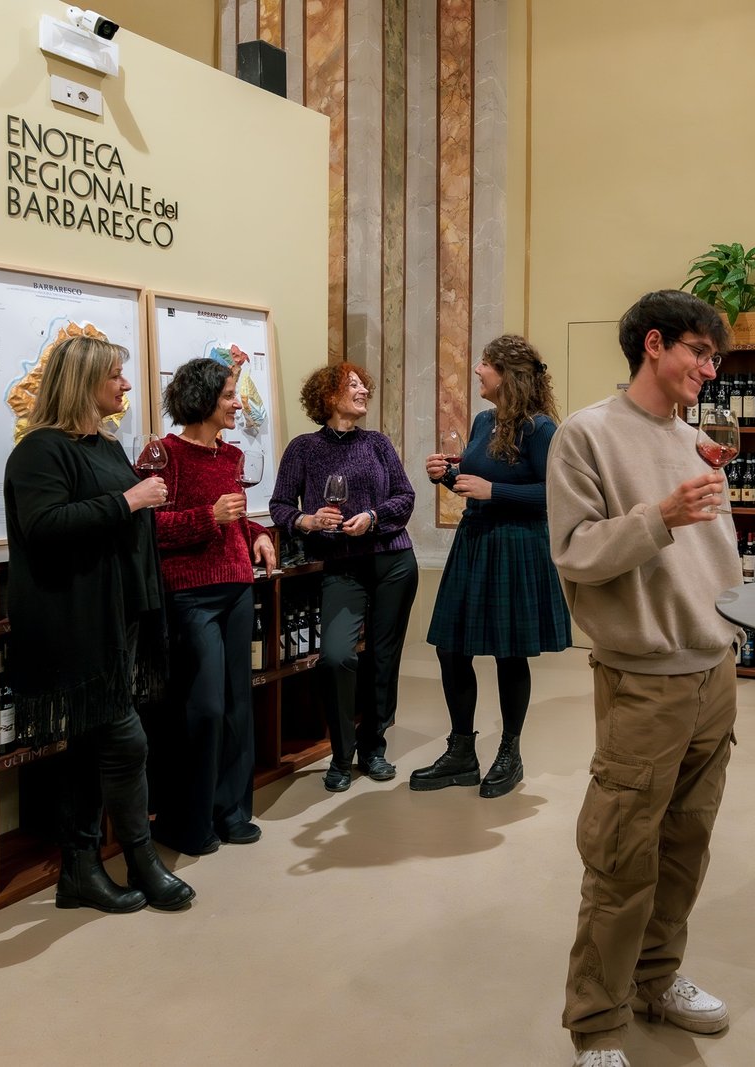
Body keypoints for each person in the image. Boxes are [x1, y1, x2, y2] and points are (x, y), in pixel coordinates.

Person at [547, 290, 741, 1067]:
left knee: (686, 846)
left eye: (715, 358)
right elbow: (576, 551)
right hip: (643, 681)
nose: (709, 369)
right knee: (622, 855)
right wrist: (659, 516)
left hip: (715, 672)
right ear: (653, 344)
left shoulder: (700, 440)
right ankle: (597, 1024)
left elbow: (713, 553)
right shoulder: (586, 435)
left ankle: (658, 978)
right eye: (699, 351)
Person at [4, 335, 195, 913]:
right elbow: (44, 525)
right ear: (83, 382)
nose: (125, 385)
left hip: (117, 616)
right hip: (75, 621)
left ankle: (80, 869)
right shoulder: (40, 450)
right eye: (115, 375)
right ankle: (140, 859)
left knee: (88, 746)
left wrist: (137, 503)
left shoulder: (105, 446)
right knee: (127, 742)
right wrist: (130, 502)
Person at [414, 335, 571, 798]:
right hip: (475, 539)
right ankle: (462, 752)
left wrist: (493, 491)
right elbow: (478, 478)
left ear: (508, 374)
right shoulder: (485, 420)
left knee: (509, 653)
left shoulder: (541, 429)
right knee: (451, 649)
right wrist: (448, 475)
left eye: (485, 363)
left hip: (517, 545)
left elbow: (556, 494)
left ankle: (509, 753)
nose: (477, 370)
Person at [269, 363, 418, 792]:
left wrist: (372, 516)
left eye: (363, 385)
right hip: (341, 567)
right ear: (329, 396)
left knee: (382, 658)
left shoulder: (378, 443)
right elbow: (280, 505)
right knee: (336, 656)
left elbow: (405, 497)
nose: (363, 391)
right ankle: (341, 753)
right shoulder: (303, 448)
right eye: (352, 386)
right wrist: (308, 521)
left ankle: (373, 747)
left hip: (393, 562)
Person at [151, 357, 278, 855]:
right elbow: (149, 528)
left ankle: (232, 812)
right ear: (202, 398)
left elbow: (236, 519)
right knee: (204, 708)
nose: (237, 403)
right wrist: (209, 517)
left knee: (237, 706)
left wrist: (259, 534)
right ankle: (187, 820)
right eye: (228, 395)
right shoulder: (164, 455)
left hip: (238, 587)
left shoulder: (232, 456)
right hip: (189, 595)